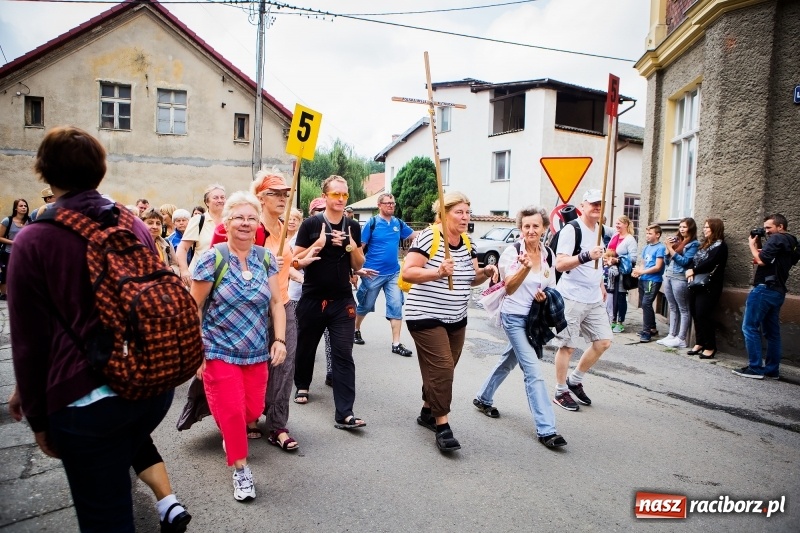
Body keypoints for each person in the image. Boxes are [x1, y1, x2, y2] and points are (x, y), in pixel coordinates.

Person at [8, 126, 186, 532]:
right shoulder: (131, 222)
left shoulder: (35, 240)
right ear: (100, 170)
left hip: (85, 401)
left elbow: (29, 342)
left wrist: (37, 416)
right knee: (115, 478)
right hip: (150, 386)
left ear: (44, 172)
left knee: (104, 516)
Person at [190, 191, 287, 502]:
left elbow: (276, 303)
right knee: (232, 413)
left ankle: (231, 434)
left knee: (252, 410)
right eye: (239, 218)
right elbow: (194, 307)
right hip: (218, 349)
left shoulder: (265, 259)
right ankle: (241, 470)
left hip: (256, 351)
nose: (245, 223)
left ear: (258, 224)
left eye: (251, 218)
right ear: (227, 222)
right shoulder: (212, 258)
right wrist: (195, 350)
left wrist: (280, 339)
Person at [402, 191, 498, 452]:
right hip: (425, 315)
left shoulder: (467, 242)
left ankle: (427, 410)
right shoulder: (429, 236)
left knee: (443, 369)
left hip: (456, 317)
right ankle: (442, 425)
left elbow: (472, 278)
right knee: (443, 367)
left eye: (467, 212)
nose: (465, 217)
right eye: (459, 212)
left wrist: (486, 272)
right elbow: (408, 272)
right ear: (444, 214)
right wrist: (438, 272)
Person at [473, 206, 567, 449]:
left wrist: (544, 296)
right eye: (526, 226)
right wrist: (524, 268)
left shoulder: (548, 254)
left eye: (536, 226)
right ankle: (547, 429)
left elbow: (550, 284)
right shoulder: (512, 253)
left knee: (509, 360)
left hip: (534, 318)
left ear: (544, 228)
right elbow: (510, 287)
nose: (531, 230)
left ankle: (483, 398)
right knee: (533, 370)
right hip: (513, 317)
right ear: (521, 228)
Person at [292, 176, 367, 429]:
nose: (341, 199)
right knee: (306, 346)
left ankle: (345, 413)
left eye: (344, 195)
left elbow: (358, 264)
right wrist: (319, 244)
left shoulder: (352, 226)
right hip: (312, 298)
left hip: (342, 300)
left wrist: (350, 246)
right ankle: (302, 384)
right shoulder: (311, 224)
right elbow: (295, 260)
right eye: (336, 194)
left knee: (343, 354)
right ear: (325, 196)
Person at [241, 171, 300, 450]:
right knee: (254, 365)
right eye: (274, 193)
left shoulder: (283, 228)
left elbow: (288, 265)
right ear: (260, 198)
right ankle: (250, 416)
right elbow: (237, 268)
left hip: (283, 303)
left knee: (284, 365)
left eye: (285, 193)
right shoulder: (253, 229)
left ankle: (278, 426)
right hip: (255, 307)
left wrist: (297, 265)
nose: (282, 198)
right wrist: (262, 264)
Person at [551, 189, 612, 412]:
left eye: (600, 204)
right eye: (593, 203)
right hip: (572, 296)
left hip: (593, 297)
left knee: (603, 341)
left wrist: (601, 283)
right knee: (567, 347)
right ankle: (560, 391)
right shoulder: (572, 229)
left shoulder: (601, 229)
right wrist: (586, 255)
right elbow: (560, 264)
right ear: (583, 206)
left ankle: (574, 380)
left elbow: (599, 262)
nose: (597, 207)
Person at [733, 214, 798, 379]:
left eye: (769, 227)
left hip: (764, 289)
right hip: (778, 291)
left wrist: (751, 245)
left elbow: (762, 261)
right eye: (765, 228)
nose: (767, 231)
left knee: (749, 327)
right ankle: (771, 370)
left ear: (780, 227)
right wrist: (759, 248)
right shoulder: (791, 241)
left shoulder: (776, 238)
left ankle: (755, 368)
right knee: (772, 333)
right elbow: (773, 260)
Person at [353, 193, 417, 356]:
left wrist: (435, 229)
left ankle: (396, 343)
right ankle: (355, 329)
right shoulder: (372, 223)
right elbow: (360, 248)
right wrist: (356, 269)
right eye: (387, 203)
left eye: (393, 203)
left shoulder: (398, 223)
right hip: (372, 273)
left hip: (393, 273)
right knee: (366, 305)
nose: (391, 205)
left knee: (396, 305)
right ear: (379, 205)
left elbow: (414, 235)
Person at [686, 218, 728, 360]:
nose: (704, 230)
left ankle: (710, 346)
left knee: (703, 314)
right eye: (704, 227)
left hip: (710, 285)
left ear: (715, 229)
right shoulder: (704, 244)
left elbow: (711, 262)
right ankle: (700, 342)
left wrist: (694, 270)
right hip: (696, 283)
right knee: (695, 313)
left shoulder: (720, 246)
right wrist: (690, 270)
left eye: (707, 227)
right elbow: (694, 260)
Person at [659, 218, 699, 348]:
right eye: (680, 226)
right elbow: (667, 261)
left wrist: (670, 249)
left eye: (684, 227)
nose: (681, 229)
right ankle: (672, 335)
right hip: (669, 276)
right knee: (672, 307)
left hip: (680, 278)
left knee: (683, 309)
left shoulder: (693, 244)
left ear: (691, 228)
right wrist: (667, 250)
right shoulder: (678, 241)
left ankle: (681, 338)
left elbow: (685, 262)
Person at [177, 185, 226, 286]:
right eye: (215, 198)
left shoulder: (231, 221)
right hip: (200, 277)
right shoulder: (198, 220)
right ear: (207, 202)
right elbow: (182, 248)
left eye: (222, 197)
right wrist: (184, 271)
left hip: (225, 278)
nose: (220, 200)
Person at [632, 224, 666, 343]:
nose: (647, 235)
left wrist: (642, 272)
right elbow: (643, 263)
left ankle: (646, 332)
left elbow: (658, 267)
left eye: (650, 233)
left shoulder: (660, 248)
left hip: (653, 280)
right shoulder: (646, 247)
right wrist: (638, 272)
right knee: (645, 304)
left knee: (646, 303)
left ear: (657, 235)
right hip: (643, 279)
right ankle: (652, 328)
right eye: (647, 233)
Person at [605, 215, 637, 333]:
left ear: (626, 224)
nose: (616, 225)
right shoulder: (615, 235)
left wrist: (618, 260)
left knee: (620, 297)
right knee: (611, 296)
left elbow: (633, 258)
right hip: (611, 272)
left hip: (622, 273)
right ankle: (612, 319)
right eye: (616, 223)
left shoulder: (630, 240)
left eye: (619, 223)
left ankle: (620, 321)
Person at [1, 198, 30, 300]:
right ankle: (4, 294)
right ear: (15, 208)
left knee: (23, 273)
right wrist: (14, 242)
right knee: (6, 274)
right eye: (21, 206)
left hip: (24, 253)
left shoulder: (30, 221)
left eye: (25, 206)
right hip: (8, 252)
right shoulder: (7, 221)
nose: (23, 208)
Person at [141, 208, 180, 276]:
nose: (155, 226)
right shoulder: (135, 243)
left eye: (158, 223)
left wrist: (170, 269)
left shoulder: (166, 244)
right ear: (141, 224)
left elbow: (175, 265)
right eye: (150, 223)